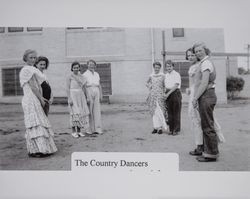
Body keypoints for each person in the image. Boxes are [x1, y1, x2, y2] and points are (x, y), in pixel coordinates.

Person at [186, 48, 225, 156]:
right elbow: (193, 83)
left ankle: (203, 147)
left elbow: (204, 82)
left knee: (202, 120)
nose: (191, 57)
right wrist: (190, 89)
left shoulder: (202, 65)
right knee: (195, 120)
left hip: (200, 93)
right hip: (194, 93)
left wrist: (195, 94)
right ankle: (201, 145)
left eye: (193, 55)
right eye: (188, 55)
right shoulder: (193, 67)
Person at [19, 49, 57, 157]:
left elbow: (38, 85)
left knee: (40, 122)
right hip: (30, 98)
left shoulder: (32, 69)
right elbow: (32, 86)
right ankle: (36, 149)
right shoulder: (26, 69)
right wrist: (41, 99)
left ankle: (41, 148)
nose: (33, 59)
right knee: (35, 123)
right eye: (31, 57)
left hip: (35, 97)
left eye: (34, 57)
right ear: (25, 58)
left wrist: (43, 97)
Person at [192, 42, 219, 162]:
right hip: (206, 96)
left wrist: (195, 97)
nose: (198, 53)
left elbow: (204, 83)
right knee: (206, 124)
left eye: (200, 50)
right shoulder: (203, 62)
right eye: (196, 51)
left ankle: (211, 154)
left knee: (207, 125)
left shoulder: (206, 63)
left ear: (205, 50)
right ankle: (208, 151)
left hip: (206, 96)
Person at [66, 61, 90, 138]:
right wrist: (69, 98)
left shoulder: (82, 77)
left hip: (80, 95)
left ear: (79, 68)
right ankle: (73, 131)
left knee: (80, 112)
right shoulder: (69, 76)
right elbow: (67, 88)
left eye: (77, 67)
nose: (76, 69)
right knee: (74, 113)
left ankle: (79, 131)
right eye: (74, 68)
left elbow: (84, 88)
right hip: (73, 95)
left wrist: (87, 97)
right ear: (72, 68)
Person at [146, 62, 168, 134]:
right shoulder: (151, 75)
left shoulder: (163, 75)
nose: (157, 69)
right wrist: (149, 86)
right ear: (154, 67)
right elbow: (147, 83)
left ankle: (160, 128)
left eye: (158, 67)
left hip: (160, 95)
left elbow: (165, 85)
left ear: (160, 68)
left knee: (160, 111)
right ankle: (155, 127)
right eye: (156, 67)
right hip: (153, 95)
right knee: (154, 111)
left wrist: (164, 92)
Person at [82, 60, 103, 134]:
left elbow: (99, 85)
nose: (91, 66)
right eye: (90, 64)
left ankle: (97, 128)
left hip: (96, 90)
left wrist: (101, 94)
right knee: (89, 110)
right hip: (89, 90)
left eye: (93, 65)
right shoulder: (84, 74)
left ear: (95, 66)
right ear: (87, 65)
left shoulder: (97, 74)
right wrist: (87, 96)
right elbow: (84, 86)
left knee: (97, 110)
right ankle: (89, 129)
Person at [164, 60, 182, 135]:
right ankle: (171, 129)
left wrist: (167, 94)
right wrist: (165, 93)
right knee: (169, 112)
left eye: (170, 66)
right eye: (167, 66)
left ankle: (176, 130)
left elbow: (176, 85)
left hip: (175, 93)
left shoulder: (176, 74)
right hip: (167, 92)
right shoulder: (166, 75)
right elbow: (165, 86)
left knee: (176, 112)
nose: (169, 68)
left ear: (173, 66)